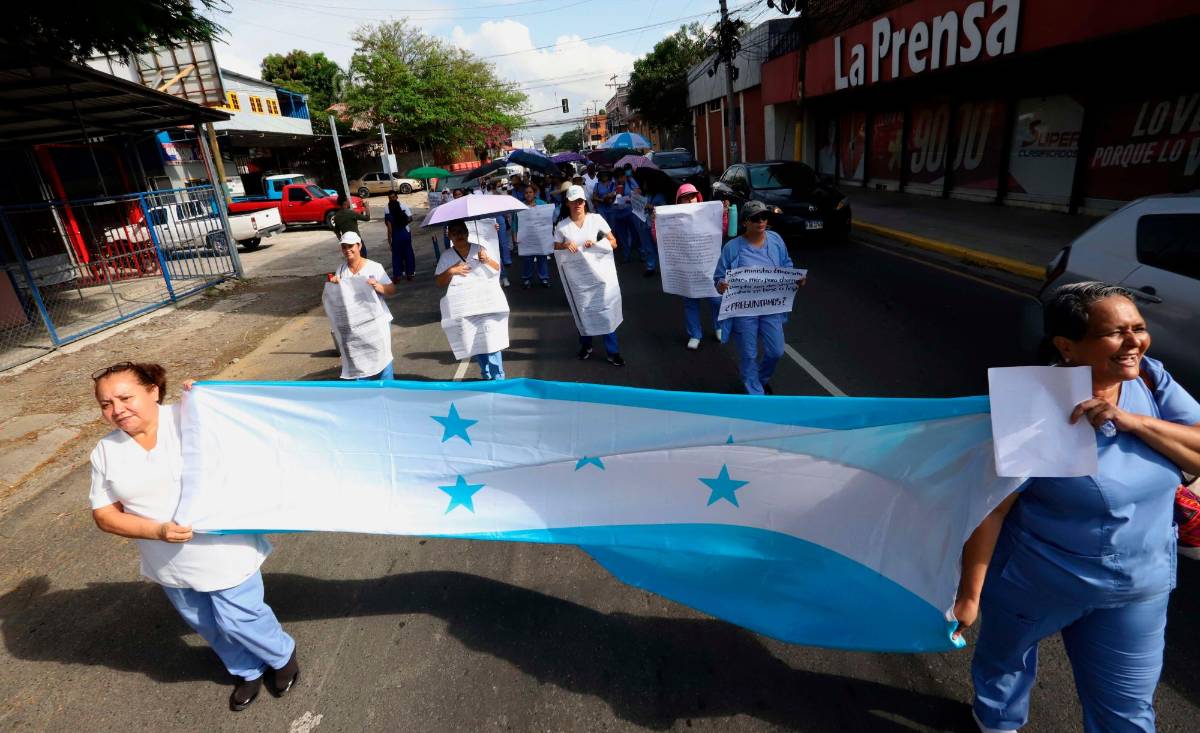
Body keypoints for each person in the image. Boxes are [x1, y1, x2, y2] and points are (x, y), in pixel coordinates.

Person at [954, 282, 1200, 733]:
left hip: (1137, 587)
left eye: (1138, 328)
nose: (1133, 343)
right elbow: (993, 508)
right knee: (1004, 669)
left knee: (1127, 712)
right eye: (1115, 333)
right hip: (1039, 580)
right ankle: (996, 723)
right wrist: (969, 596)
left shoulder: (1149, 379)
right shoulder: (1034, 405)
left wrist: (1134, 423)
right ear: (1067, 346)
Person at [89, 362, 299, 712]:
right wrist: (157, 530)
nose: (117, 410)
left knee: (240, 617)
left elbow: (254, 435)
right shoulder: (105, 452)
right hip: (168, 563)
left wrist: (213, 398)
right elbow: (104, 515)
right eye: (106, 404)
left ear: (153, 391)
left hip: (223, 551)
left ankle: (280, 655)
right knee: (206, 622)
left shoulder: (190, 417)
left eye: (125, 397)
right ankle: (245, 669)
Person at [714, 200, 805, 395]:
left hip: (770, 307)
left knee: (776, 351)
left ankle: (760, 379)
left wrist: (796, 279)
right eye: (755, 218)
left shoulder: (776, 240)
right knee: (748, 354)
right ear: (745, 222)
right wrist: (721, 285)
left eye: (764, 216)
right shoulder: (732, 248)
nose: (761, 221)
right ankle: (755, 394)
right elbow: (719, 277)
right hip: (743, 311)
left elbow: (786, 265)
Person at [554, 185, 624, 366]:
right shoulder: (563, 227)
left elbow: (613, 242)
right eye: (573, 201)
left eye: (580, 201)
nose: (577, 204)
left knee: (606, 310)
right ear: (567, 203)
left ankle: (612, 351)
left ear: (585, 202)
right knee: (583, 311)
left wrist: (597, 242)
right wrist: (564, 245)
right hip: (579, 279)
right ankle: (586, 345)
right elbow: (555, 247)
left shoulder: (597, 220)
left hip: (601, 277)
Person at [435, 220, 506, 380]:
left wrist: (486, 260)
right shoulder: (446, 256)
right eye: (455, 233)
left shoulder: (481, 248)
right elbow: (439, 282)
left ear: (467, 232)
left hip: (487, 304)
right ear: (449, 236)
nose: (459, 235)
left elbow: (497, 269)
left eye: (462, 231)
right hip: (466, 307)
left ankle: (498, 378)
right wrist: (452, 271)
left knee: (492, 340)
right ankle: (486, 375)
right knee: (477, 341)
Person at [329, 231, 397, 380]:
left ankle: (387, 390)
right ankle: (364, 392)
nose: (348, 250)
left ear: (359, 245)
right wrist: (335, 286)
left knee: (382, 358)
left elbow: (391, 289)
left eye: (351, 246)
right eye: (344, 247)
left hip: (377, 322)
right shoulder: (341, 270)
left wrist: (378, 286)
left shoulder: (374, 267)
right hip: (355, 324)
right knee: (359, 360)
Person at [662, 183, 720, 350]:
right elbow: (660, 239)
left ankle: (719, 326)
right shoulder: (672, 219)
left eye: (692, 196)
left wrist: (722, 215)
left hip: (709, 265)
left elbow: (722, 230)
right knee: (691, 301)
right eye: (685, 198)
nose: (690, 200)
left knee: (717, 298)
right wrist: (656, 222)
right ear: (678, 201)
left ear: (698, 197)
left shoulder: (709, 214)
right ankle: (695, 334)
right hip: (687, 267)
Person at [512, 183, 551, 289]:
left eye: (530, 192)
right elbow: (515, 224)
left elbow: (548, 220)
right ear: (523, 194)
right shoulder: (519, 207)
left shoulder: (542, 204)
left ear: (534, 193)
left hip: (540, 237)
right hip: (526, 238)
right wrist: (515, 238)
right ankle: (527, 279)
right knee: (527, 259)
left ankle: (544, 278)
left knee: (542, 257)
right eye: (526, 193)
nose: (528, 194)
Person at [384, 191, 415, 281]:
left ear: (396, 197)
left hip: (396, 234)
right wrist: (404, 223)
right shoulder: (403, 207)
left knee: (396, 255)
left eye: (393, 197)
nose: (392, 199)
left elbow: (389, 229)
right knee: (408, 253)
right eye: (390, 197)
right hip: (405, 232)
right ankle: (410, 274)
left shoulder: (387, 210)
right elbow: (410, 218)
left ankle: (397, 275)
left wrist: (389, 242)